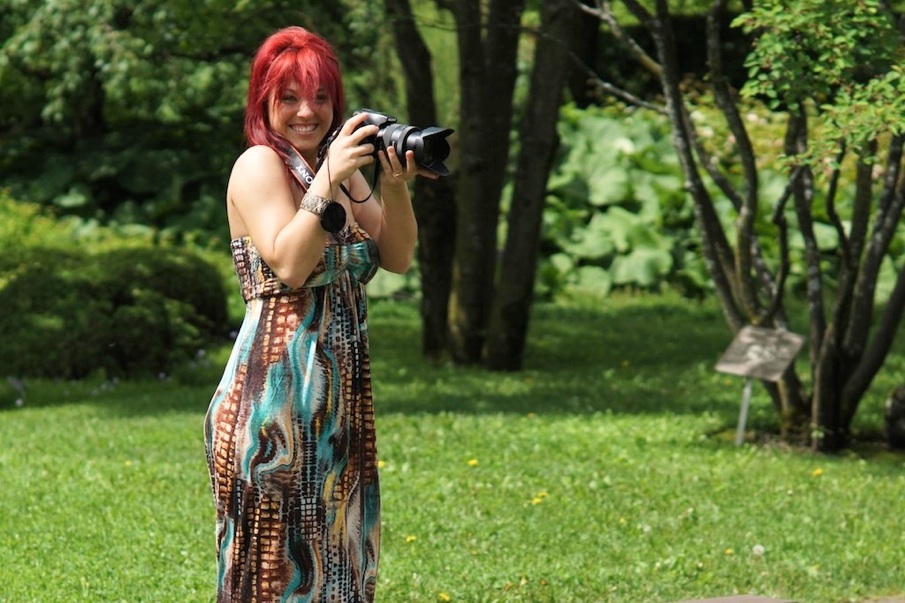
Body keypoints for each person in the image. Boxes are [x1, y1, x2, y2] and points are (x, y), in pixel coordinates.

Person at [204, 26, 434, 602]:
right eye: (289, 98)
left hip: (338, 397)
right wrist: (329, 176)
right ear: (264, 103)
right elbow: (289, 264)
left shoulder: (342, 167)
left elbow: (398, 257)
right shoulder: (260, 164)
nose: (308, 112)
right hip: (274, 399)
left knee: (339, 562)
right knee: (273, 573)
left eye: (321, 98)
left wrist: (395, 185)